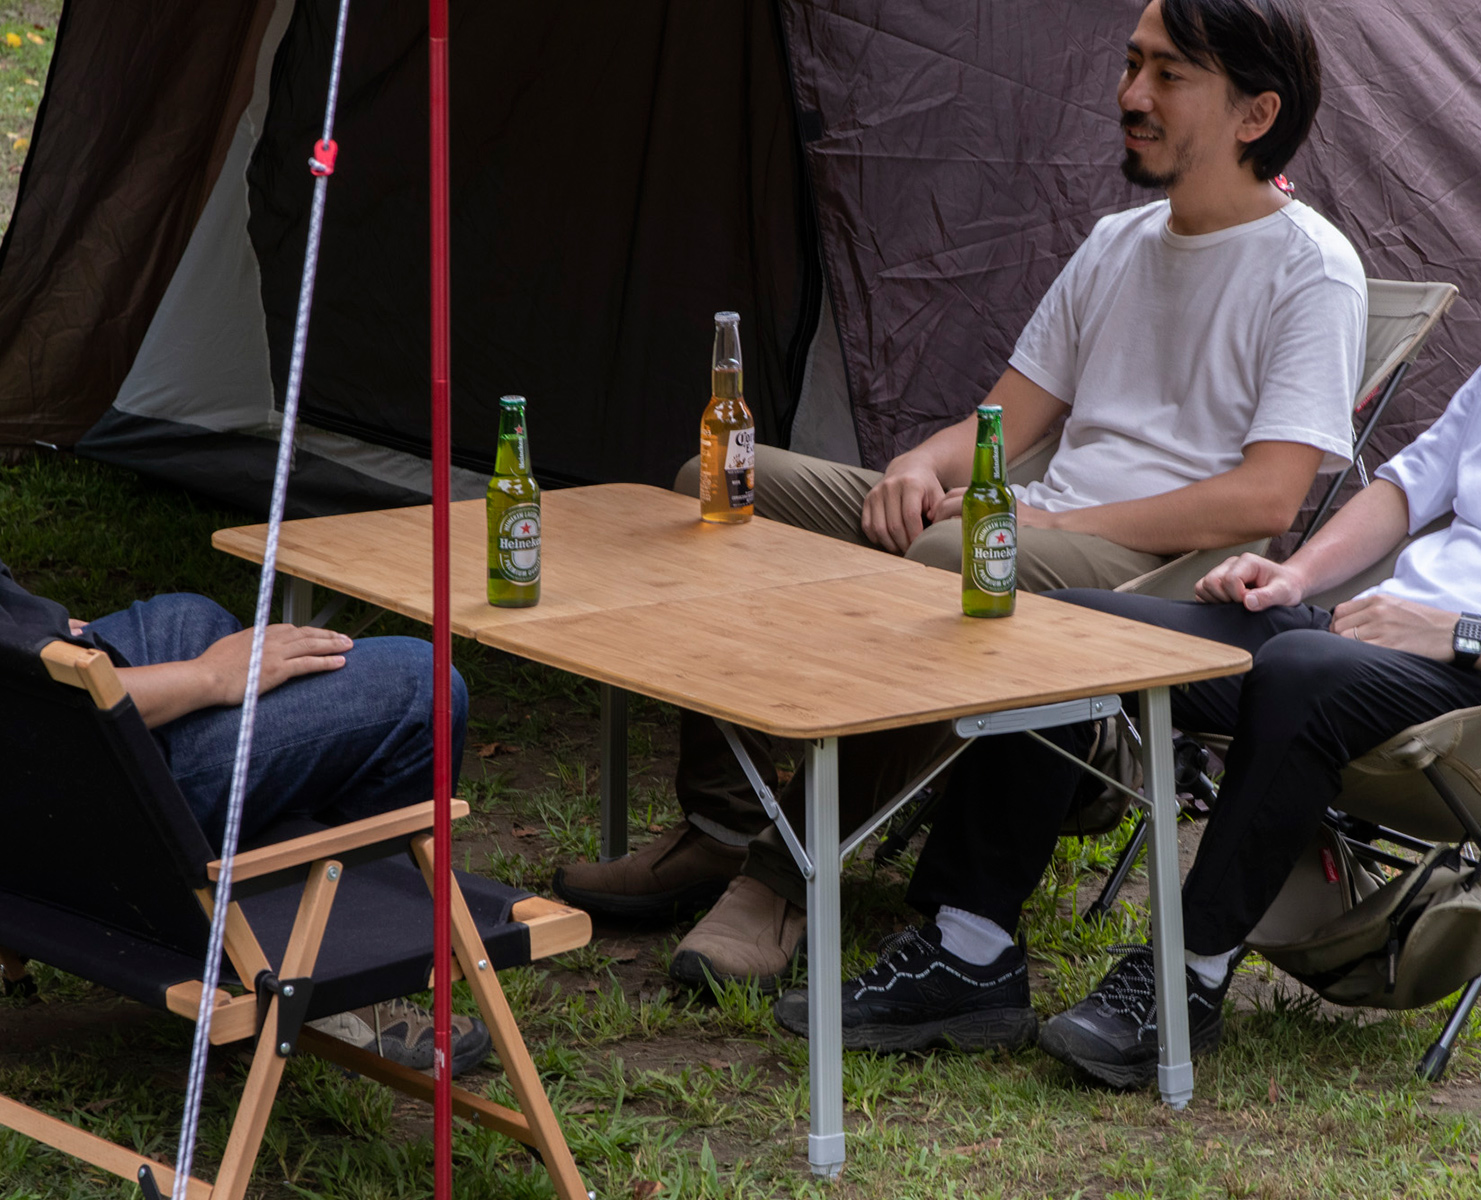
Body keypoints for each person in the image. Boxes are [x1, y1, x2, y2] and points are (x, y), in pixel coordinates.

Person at [554, 0, 1367, 991]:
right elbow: (999, 425)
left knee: (952, 563)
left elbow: (1263, 500)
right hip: (1028, 525)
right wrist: (916, 470)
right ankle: (722, 825)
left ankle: (777, 884)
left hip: (1157, 572)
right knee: (723, 483)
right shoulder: (1118, 242)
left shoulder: (1311, 269)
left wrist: (1048, 520)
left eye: (1168, 76)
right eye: (1132, 65)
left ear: (1255, 113)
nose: (1130, 95)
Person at [773, 323, 1481, 1074]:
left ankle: (1187, 975)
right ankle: (970, 948)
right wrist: (1298, 577)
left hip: (1476, 688)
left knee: (1300, 669)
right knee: (1070, 626)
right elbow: (1414, 482)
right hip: (1373, 635)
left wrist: (1462, 631)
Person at [0, 566, 492, 1074]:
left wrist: (38, 627)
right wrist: (211, 676)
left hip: (31, 720)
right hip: (60, 782)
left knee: (193, 618)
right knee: (423, 683)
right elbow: (46, 710)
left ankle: (262, 916)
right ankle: (345, 980)